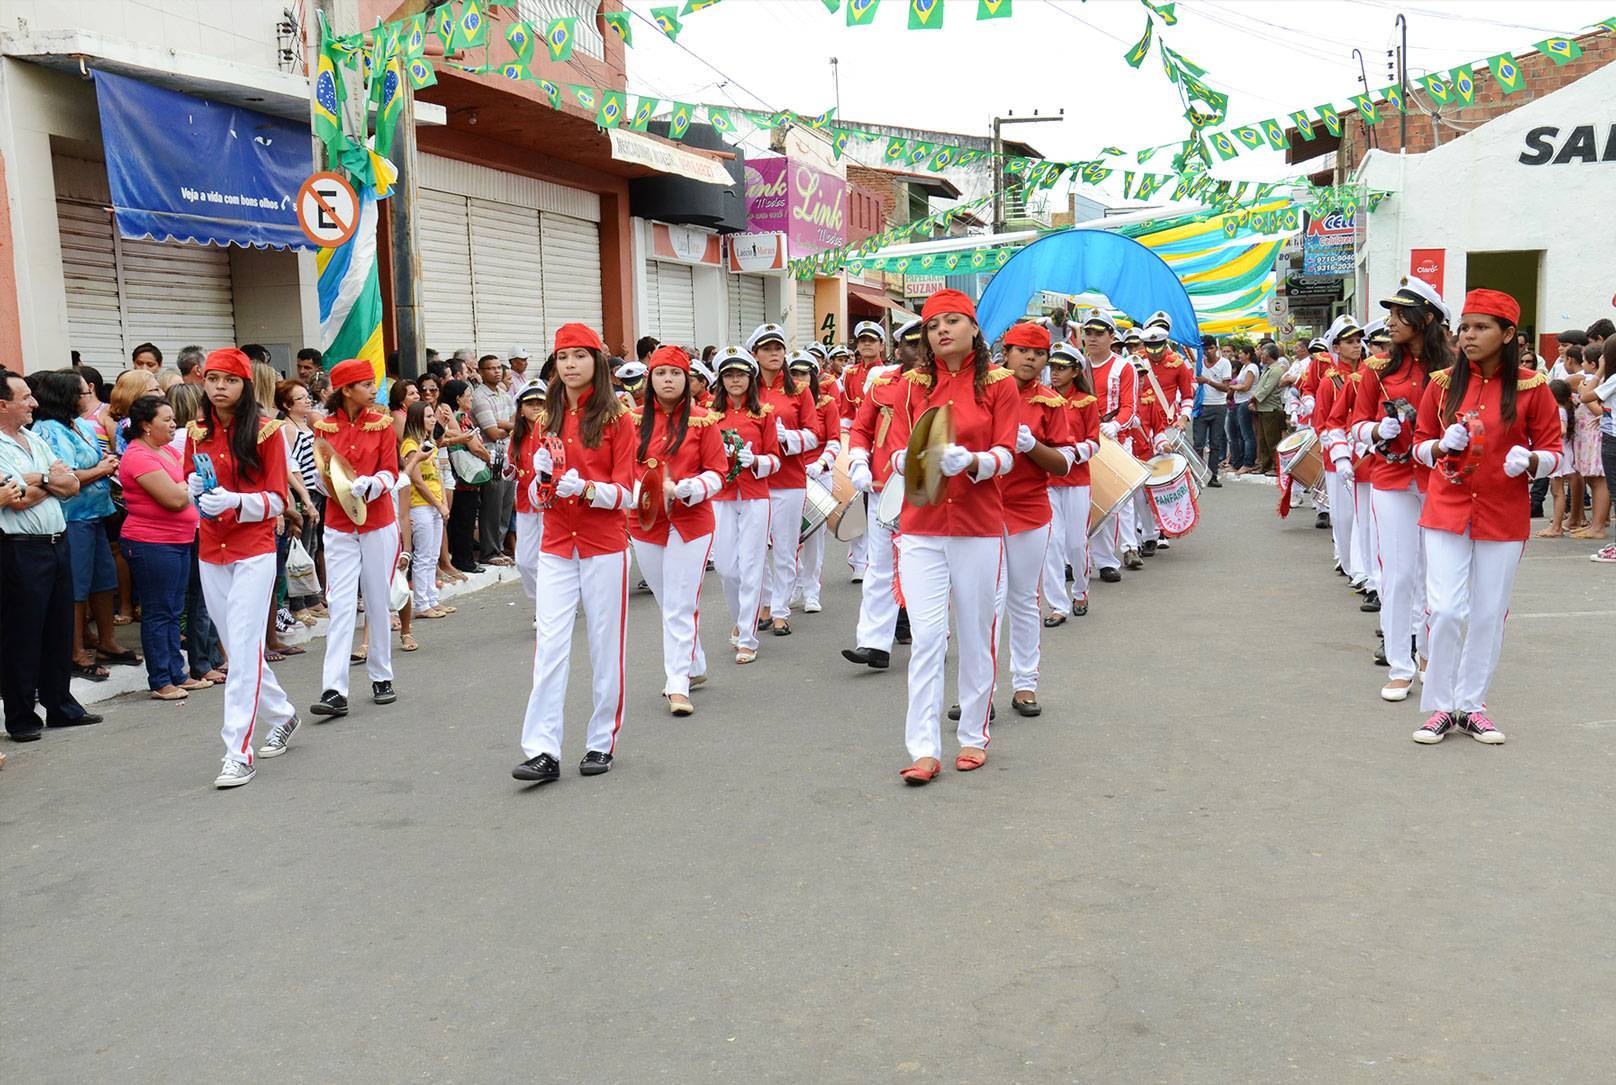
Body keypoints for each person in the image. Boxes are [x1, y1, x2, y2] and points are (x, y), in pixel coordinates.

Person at [1409, 290, 1562, 745]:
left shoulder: (1533, 388)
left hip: (1503, 512)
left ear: (1509, 334)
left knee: (1489, 613)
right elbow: (1417, 444)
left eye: (1481, 327)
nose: (1468, 336)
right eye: (1465, 327)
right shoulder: (1440, 384)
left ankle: (1471, 705)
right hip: (1446, 507)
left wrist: (1532, 462)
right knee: (1448, 609)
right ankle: (1439, 705)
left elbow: (1556, 451)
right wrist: (1439, 446)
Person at [885, 289, 1018, 785]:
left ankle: (973, 737)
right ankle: (922, 747)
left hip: (979, 527)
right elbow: (895, 451)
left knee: (976, 632)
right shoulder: (911, 385)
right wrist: (914, 459)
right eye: (933, 324)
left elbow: (1008, 453)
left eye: (952, 321)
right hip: (921, 528)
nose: (942, 330)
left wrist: (976, 462)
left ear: (974, 328)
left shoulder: (1001, 385)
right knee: (926, 639)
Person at [512, 323, 636, 784]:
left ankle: (601, 740)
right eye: (563, 358)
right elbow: (540, 495)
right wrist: (539, 478)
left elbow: (627, 492)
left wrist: (586, 488)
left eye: (579, 357)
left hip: (604, 544)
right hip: (557, 543)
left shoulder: (619, 418)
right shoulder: (547, 418)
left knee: (606, 646)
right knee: (550, 646)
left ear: (596, 363)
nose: (570, 366)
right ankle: (542, 749)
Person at [182, 349, 299, 785]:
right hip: (211, 550)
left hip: (253, 550)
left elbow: (277, 500)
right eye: (212, 379)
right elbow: (189, 484)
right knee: (240, 648)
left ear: (245, 386)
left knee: (243, 652)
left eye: (228, 380)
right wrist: (196, 489)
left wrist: (236, 501)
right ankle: (284, 715)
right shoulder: (195, 432)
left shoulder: (268, 433)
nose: (218, 387)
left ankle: (238, 750)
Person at [1350, 278, 1451, 702]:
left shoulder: (1453, 370)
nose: (1390, 323)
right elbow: (1355, 425)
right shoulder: (1377, 369)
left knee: (1434, 574)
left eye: (1399, 315)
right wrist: (1377, 428)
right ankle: (1400, 664)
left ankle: (1430, 655)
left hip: (1438, 479)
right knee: (1398, 572)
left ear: (1425, 319)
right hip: (1390, 479)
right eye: (1389, 315)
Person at [626, 345, 726, 716]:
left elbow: (718, 472)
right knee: (668, 600)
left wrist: (686, 489)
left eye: (676, 374)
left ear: (688, 380)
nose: (668, 380)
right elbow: (619, 469)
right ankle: (694, 662)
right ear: (650, 380)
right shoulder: (630, 420)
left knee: (680, 601)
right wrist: (642, 492)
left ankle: (677, 684)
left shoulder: (704, 421)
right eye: (661, 374)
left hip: (691, 520)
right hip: (644, 521)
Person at [0, 369, 99, 742]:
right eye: (25, 397)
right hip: (21, 549)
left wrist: (38, 478)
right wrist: (48, 480)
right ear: (2, 404)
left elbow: (71, 484)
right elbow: (14, 497)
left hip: (57, 542)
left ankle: (61, 706)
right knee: (23, 635)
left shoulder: (33, 438)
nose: (34, 403)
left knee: (58, 630)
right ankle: (22, 717)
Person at [309, 359, 403, 720]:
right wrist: (329, 484)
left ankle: (382, 675)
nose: (372, 390)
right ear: (346, 390)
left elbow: (391, 472)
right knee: (341, 603)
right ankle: (334, 689)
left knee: (378, 599)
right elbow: (318, 469)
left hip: (377, 521)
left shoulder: (381, 425)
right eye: (365, 384)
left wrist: (372, 484)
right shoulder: (323, 427)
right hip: (338, 524)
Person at [30, 368, 133, 683]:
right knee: (76, 586)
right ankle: (75, 650)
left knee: (103, 581)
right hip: (72, 515)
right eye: (82, 393)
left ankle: (107, 641)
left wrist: (105, 465)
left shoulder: (79, 426)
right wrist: (102, 469)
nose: (88, 397)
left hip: (96, 513)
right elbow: (67, 475)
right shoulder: (49, 430)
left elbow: (97, 459)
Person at [995, 323, 1073, 717]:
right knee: (985, 604)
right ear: (1006, 352)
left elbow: (1062, 464)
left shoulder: (1051, 402)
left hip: (1029, 510)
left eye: (1038, 353)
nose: (1030, 358)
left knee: (1023, 599)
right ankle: (979, 690)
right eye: (1022, 350)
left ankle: (1025, 683)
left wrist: (1032, 445)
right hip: (983, 510)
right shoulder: (984, 390)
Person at [119, 393, 209, 700]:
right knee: (159, 611)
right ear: (146, 425)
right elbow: (172, 498)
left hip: (179, 539)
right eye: (166, 420)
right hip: (151, 542)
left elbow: (187, 484)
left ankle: (177, 672)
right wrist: (187, 487)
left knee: (173, 609)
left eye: (174, 419)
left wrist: (187, 486)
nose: (173, 425)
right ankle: (160, 678)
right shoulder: (138, 456)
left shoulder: (167, 451)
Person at [843, 319, 921, 670]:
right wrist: (858, 460)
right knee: (879, 566)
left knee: (924, 566)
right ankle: (874, 643)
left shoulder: (941, 385)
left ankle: (927, 636)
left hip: (927, 489)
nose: (919, 352)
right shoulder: (882, 382)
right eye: (912, 344)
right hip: (882, 487)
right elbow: (861, 427)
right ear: (899, 348)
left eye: (925, 345)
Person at [709, 346, 781, 666]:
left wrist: (757, 461)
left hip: (754, 495)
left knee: (751, 565)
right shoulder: (709, 416)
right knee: (726, 567)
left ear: (750, 379)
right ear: (721, 380)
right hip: (721, 496)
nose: (735, 380)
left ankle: (748, 638)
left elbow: (776, 459)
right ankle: (742, 618)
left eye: (740, 374)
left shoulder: (764, 413)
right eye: (729, 375)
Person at [748, 323, 820, 636]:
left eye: (778, 348)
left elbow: (815, 435)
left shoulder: (799, 391)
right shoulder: (745, 388)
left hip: (789, 479)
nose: (774, 353)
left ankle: (780, 610)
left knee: (786, 547)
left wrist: (787, 438)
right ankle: (764, 601)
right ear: (756, 354)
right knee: (752, 550)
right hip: (753, 481)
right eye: (767, 349)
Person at [1041, 341, 1099, 621]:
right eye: (1053, 367)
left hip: (1076, 480)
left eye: (1062, 368)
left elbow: (1095, 443)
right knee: (1051, 543)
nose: (1055, 373)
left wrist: (1070, 453)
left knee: (1076, 543)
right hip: (1048, 481)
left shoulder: (1087, 403)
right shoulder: (1043, 399)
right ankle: (1057, 605)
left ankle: (1080, 590)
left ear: (1076, 371)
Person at [1085, 313, 1141, 579]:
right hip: (1082, 440)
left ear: (1111, 336)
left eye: (1098, 333)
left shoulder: (1123, 367)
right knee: (1086, 501)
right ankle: (1078, 559)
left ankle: (1127, 548)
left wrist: (1116, 425)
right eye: (1089, 333)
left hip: (1114, 438)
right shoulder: (1077, 365)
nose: (1092, 338)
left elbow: (1130, 406)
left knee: (1119, 500)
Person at [792, 350, 842, 615]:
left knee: (814, 538)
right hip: (788, 476)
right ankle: (795, 582)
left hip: (818, 474)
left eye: (803, 373)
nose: (798, 379)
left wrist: (820, 464)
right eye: (794, 373)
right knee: (785, 537)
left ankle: (811, 589)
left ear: (813, 376)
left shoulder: (827, 404)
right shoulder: (782, 403)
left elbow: (835, 440)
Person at [400, 400, 453, 620]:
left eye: (433, 416)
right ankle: (422, 603)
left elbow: (437, 476)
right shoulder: (411, 445)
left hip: (434, 504)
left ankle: (431, 599)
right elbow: (417, 481)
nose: (433, 420)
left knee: (432, 555)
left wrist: (442, 502)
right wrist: (438, 503)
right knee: (423, 556)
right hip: (420, 505)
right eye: (429, 416)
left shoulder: (429, 444)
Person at [470, 354, 515, 567]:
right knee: (492, 507)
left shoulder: (504, 394)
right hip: (491, 457)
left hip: (508, 456)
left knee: (505, 506)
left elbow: (518, 424)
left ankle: (499, 548)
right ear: (481, 372)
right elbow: (492, 433)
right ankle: (489, 551)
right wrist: (508, 427)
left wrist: (504, 424)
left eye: (498, 367)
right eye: (490, 368)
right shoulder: (479, 396)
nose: (496, 371)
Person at [441, 378, 491, 574]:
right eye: (468, 396)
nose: (471, 399)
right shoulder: (461, 418)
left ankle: (463, 559)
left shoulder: (455, 417)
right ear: (458, 398)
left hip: (460, 477)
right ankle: (465, 561)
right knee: (465, 520)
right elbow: (474, 445)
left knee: (462, 520)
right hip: (466, 479)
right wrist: (487, 457)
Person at [508, 382, 549, 600]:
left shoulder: (554, 431)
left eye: (540, 403)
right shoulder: (517, 436)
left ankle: (546, 605)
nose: (536, 408)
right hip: (525, 504)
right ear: (521, 410)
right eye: (530, 404)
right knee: (524, 561)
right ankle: (540, 599)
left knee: (548, 558)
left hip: (550, 504)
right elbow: (513, 470)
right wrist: (506, 470)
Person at [1250, 342, 1289, 474]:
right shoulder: (1268, 368)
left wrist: (1253, 398)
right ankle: (1265, 466)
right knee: (1263, 440)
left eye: (1263, 353)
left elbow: (1267, 389)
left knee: (1272, 440)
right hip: (1263, 408)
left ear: (1268, 355)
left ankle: (1276, 467)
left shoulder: (1276, 370)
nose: (1260, 355)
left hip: (1271, 409)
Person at [1228, 344, 1260, 473]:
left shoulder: (1252, 367)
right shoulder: (1245, 368)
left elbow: (1246, 386)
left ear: (1248, 355)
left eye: (1242, 353)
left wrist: (1233, 387)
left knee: (1247, 435)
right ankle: (1239, 462)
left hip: (1245, 402)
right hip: (1239, 401)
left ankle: (1248, 463)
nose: (1239, 355)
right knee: (1241, 434)